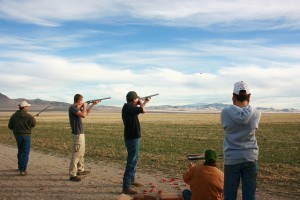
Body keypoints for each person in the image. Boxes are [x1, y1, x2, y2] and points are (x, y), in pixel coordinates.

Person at [221, 81, 261, 200]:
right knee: (249, 196)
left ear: (233, 96)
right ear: (249, 96)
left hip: (232, 158)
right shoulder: (257, 113)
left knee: (229, 195)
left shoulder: (225, 113)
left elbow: (225, 126)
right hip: (251, 157)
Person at [122, 91, 150, 195]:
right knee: (131, 161)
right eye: (136, 99)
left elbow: (138, 111)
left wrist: (144, 102)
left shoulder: (129, 107)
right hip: (132, 138)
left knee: (134, 159)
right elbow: (143, 111)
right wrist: (141, 102)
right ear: (134, 99)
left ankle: (131, 180)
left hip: (133, 137)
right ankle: (126, 186)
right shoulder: (128, 107)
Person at [69, 94, 99, 182]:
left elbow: (86, 113)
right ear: (78, 101)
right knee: (77, 153)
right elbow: (83, 115)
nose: (82, 102)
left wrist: (92, 105)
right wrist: (85, 106)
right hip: (77, 134)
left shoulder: (76, 107)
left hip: (80, 133)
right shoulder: (73, 108)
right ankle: (72, 174)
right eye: (82, 101)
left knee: (81, 153)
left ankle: (80, 170)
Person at [8, 101, 36, 176]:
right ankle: (22, 170)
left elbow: (10, 127)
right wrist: (33, 119)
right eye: (27, 106)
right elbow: (33, 125)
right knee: (25, 153)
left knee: (20, 151)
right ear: (24, 107)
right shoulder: (29, 116)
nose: (28, 108)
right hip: (26, 136)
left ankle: (20, 167)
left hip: (17, 136)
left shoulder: (13, 116)